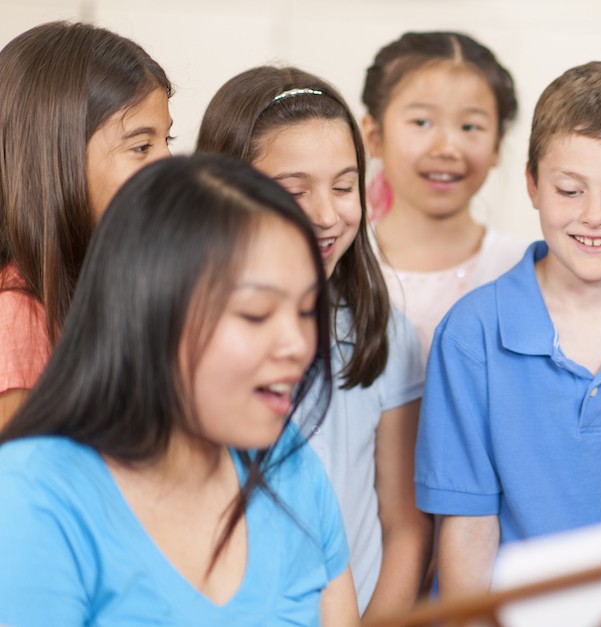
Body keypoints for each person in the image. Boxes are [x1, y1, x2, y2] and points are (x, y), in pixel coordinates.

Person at [0, 155, 357, 625]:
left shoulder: (291, 466)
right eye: (256, 314)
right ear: (150, 315)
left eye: (308, 310)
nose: (297, 345)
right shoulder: (34, 495)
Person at [414, 61, 601, 599]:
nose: (594, 216)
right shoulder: (471, 335)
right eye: (570, 190)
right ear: (532, 183)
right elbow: (466, 530)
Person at [198, 66, 428, 617]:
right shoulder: (188, 337)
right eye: (293, 191)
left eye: (345, 187)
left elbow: (403, 524)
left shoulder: (384, 331)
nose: (326, 215)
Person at [0, 21, 173, 426]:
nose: (167, 164)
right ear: (57, 160)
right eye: (141, 146)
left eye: (169, 140)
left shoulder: (103, 289)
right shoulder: (17, 318)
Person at [361, 31, 528, 358]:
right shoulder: (339, 264)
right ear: (374, 135)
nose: (447, 148)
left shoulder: (524, 268)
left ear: (497, 144)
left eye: (470, 127)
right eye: (421, 122)